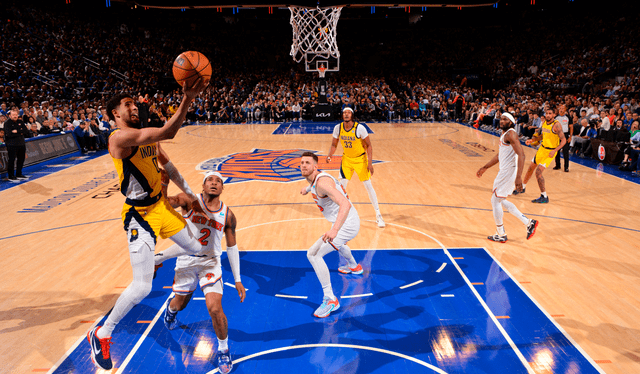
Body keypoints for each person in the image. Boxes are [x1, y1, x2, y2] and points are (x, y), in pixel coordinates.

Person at [87, 77, 209, 371]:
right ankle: (102, 333)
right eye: (127, 105)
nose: (133, 107)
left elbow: (169, 165)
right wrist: (188, 98)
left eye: (133, 103)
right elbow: (169, 130)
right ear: (115, 114)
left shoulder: (146, 137)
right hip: (138, 216)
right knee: (142, 287)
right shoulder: (119, 138)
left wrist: (191, 195)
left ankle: (156, 257)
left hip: (159, 209)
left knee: (197, 246)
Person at [161, 170, 245, 374]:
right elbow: (164, 206)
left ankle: (224, 350)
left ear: (222, 188)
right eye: (210, 180)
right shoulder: (189, 200)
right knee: (180, 304)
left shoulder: (228, 214)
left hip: (211, 263)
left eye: (218, 181)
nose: (214, 183)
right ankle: (171, 311)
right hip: (186, 262)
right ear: (203, 186)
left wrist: (238, 279)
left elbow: (232, 247)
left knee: (215, 308)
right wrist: (163, 185)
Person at [299, 152, 363, 318]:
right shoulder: (316, 181)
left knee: (313, 255)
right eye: (301, 163)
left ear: (315, 166)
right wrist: (307, 189)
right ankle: (354, 267)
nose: (304, 165)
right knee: (339, 245)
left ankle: (330, 299)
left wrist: (334, 230)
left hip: (346, 224)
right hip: (346, 220)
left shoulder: (322, 184)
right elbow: (316, 187)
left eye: (307, 163)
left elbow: (345, 203)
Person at [477, 113, 539, 243]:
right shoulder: (505, 135)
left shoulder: (511, 134)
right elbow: (499, 155)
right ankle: (528, 223)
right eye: (501, 118)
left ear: (511, 123)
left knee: (495, 200)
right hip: (505, 171)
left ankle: (501, 233)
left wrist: (518, 178)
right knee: (500, 200)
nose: (501, 121)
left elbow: (522, 155)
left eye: (505, 119)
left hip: (509, 172)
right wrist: (485, 167)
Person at [326, 107, 385, 228]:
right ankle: (340, 215)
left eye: (348, 113)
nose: (346, 114)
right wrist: (329, 155)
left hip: (360, 159)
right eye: (344, 113)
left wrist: (370, 163)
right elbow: (334, 144)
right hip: (347, 159)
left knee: (368, 186)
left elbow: (369, 146)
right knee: (341, 187)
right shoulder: (338, 128)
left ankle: (378, 214)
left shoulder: (360, 128)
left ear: (352, 115)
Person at [514, 107, 566, 204]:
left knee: (538, 172)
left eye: (550, 113)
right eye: (547, 113)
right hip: (542, 149)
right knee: (530, 168)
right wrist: (533, 140)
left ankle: (544, 196)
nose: (548, 115)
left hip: (550, 152)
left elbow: (564, 140)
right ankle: (523, 187)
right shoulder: (545, 123)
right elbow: (543, 135)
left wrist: (555, 150)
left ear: (554, 115)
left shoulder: (557, 125)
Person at [4, 109, 30, 182]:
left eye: (16, 115)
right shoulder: (7, 123)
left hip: (21, 144)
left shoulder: (20, 121)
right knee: (11, 160)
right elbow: (9, 134)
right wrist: (20, 132)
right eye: (13, 115)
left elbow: (25, 131)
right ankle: (11, 175)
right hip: (11, 145)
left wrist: (17, 131)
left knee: (21, 159)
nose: (15, 116)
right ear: (10, 116)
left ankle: (19, 174)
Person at [553, 105, 572, 172]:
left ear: (565, 109)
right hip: (557, 135)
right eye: (560, 108)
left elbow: (571, 127)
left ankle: (566, 167)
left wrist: (570, 137)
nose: (561, 109)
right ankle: (558, 165)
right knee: (557, 151)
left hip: (565, 135)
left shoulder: (568, 117)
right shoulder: (556, 117)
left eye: (562, 108)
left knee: (565, 151)